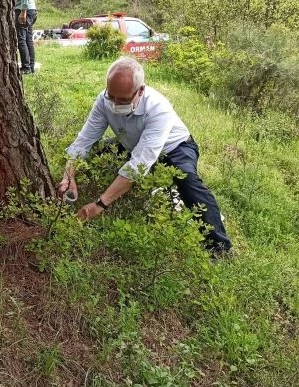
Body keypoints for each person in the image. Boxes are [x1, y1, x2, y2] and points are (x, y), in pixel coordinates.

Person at [57, 57, 232, 255]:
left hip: (175, 147)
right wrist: (68, 175)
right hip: (132, 145)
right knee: (98, 154)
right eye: (111, 96)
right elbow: (83, 141)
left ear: (141, 91)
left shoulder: (158, 108)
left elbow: (138, 164)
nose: (115, 104)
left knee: (188, 181)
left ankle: (219, 246)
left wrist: (99, 205)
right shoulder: (103, 101)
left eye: (123, 100)